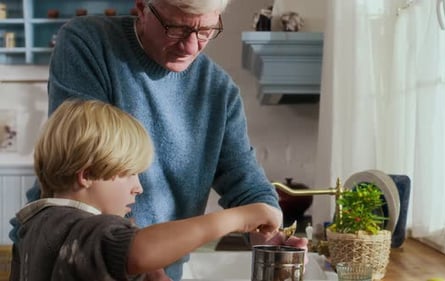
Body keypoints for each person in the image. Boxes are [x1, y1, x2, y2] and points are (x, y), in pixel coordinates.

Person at [10, 0, 308, 279]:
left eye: (205, 30)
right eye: (176, 28)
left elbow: (246, 182)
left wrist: (269, 235)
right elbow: (85, 148)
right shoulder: (88, 42)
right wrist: (235, 219)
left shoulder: (219, 91)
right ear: (142, 8)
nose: (191, 46)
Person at [9, 99, 282, 281]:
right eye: (128, 173)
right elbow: (139, 251)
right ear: (87, 175)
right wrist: (238, 218)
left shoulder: (37, 225)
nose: (137, 187)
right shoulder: (82, 226)